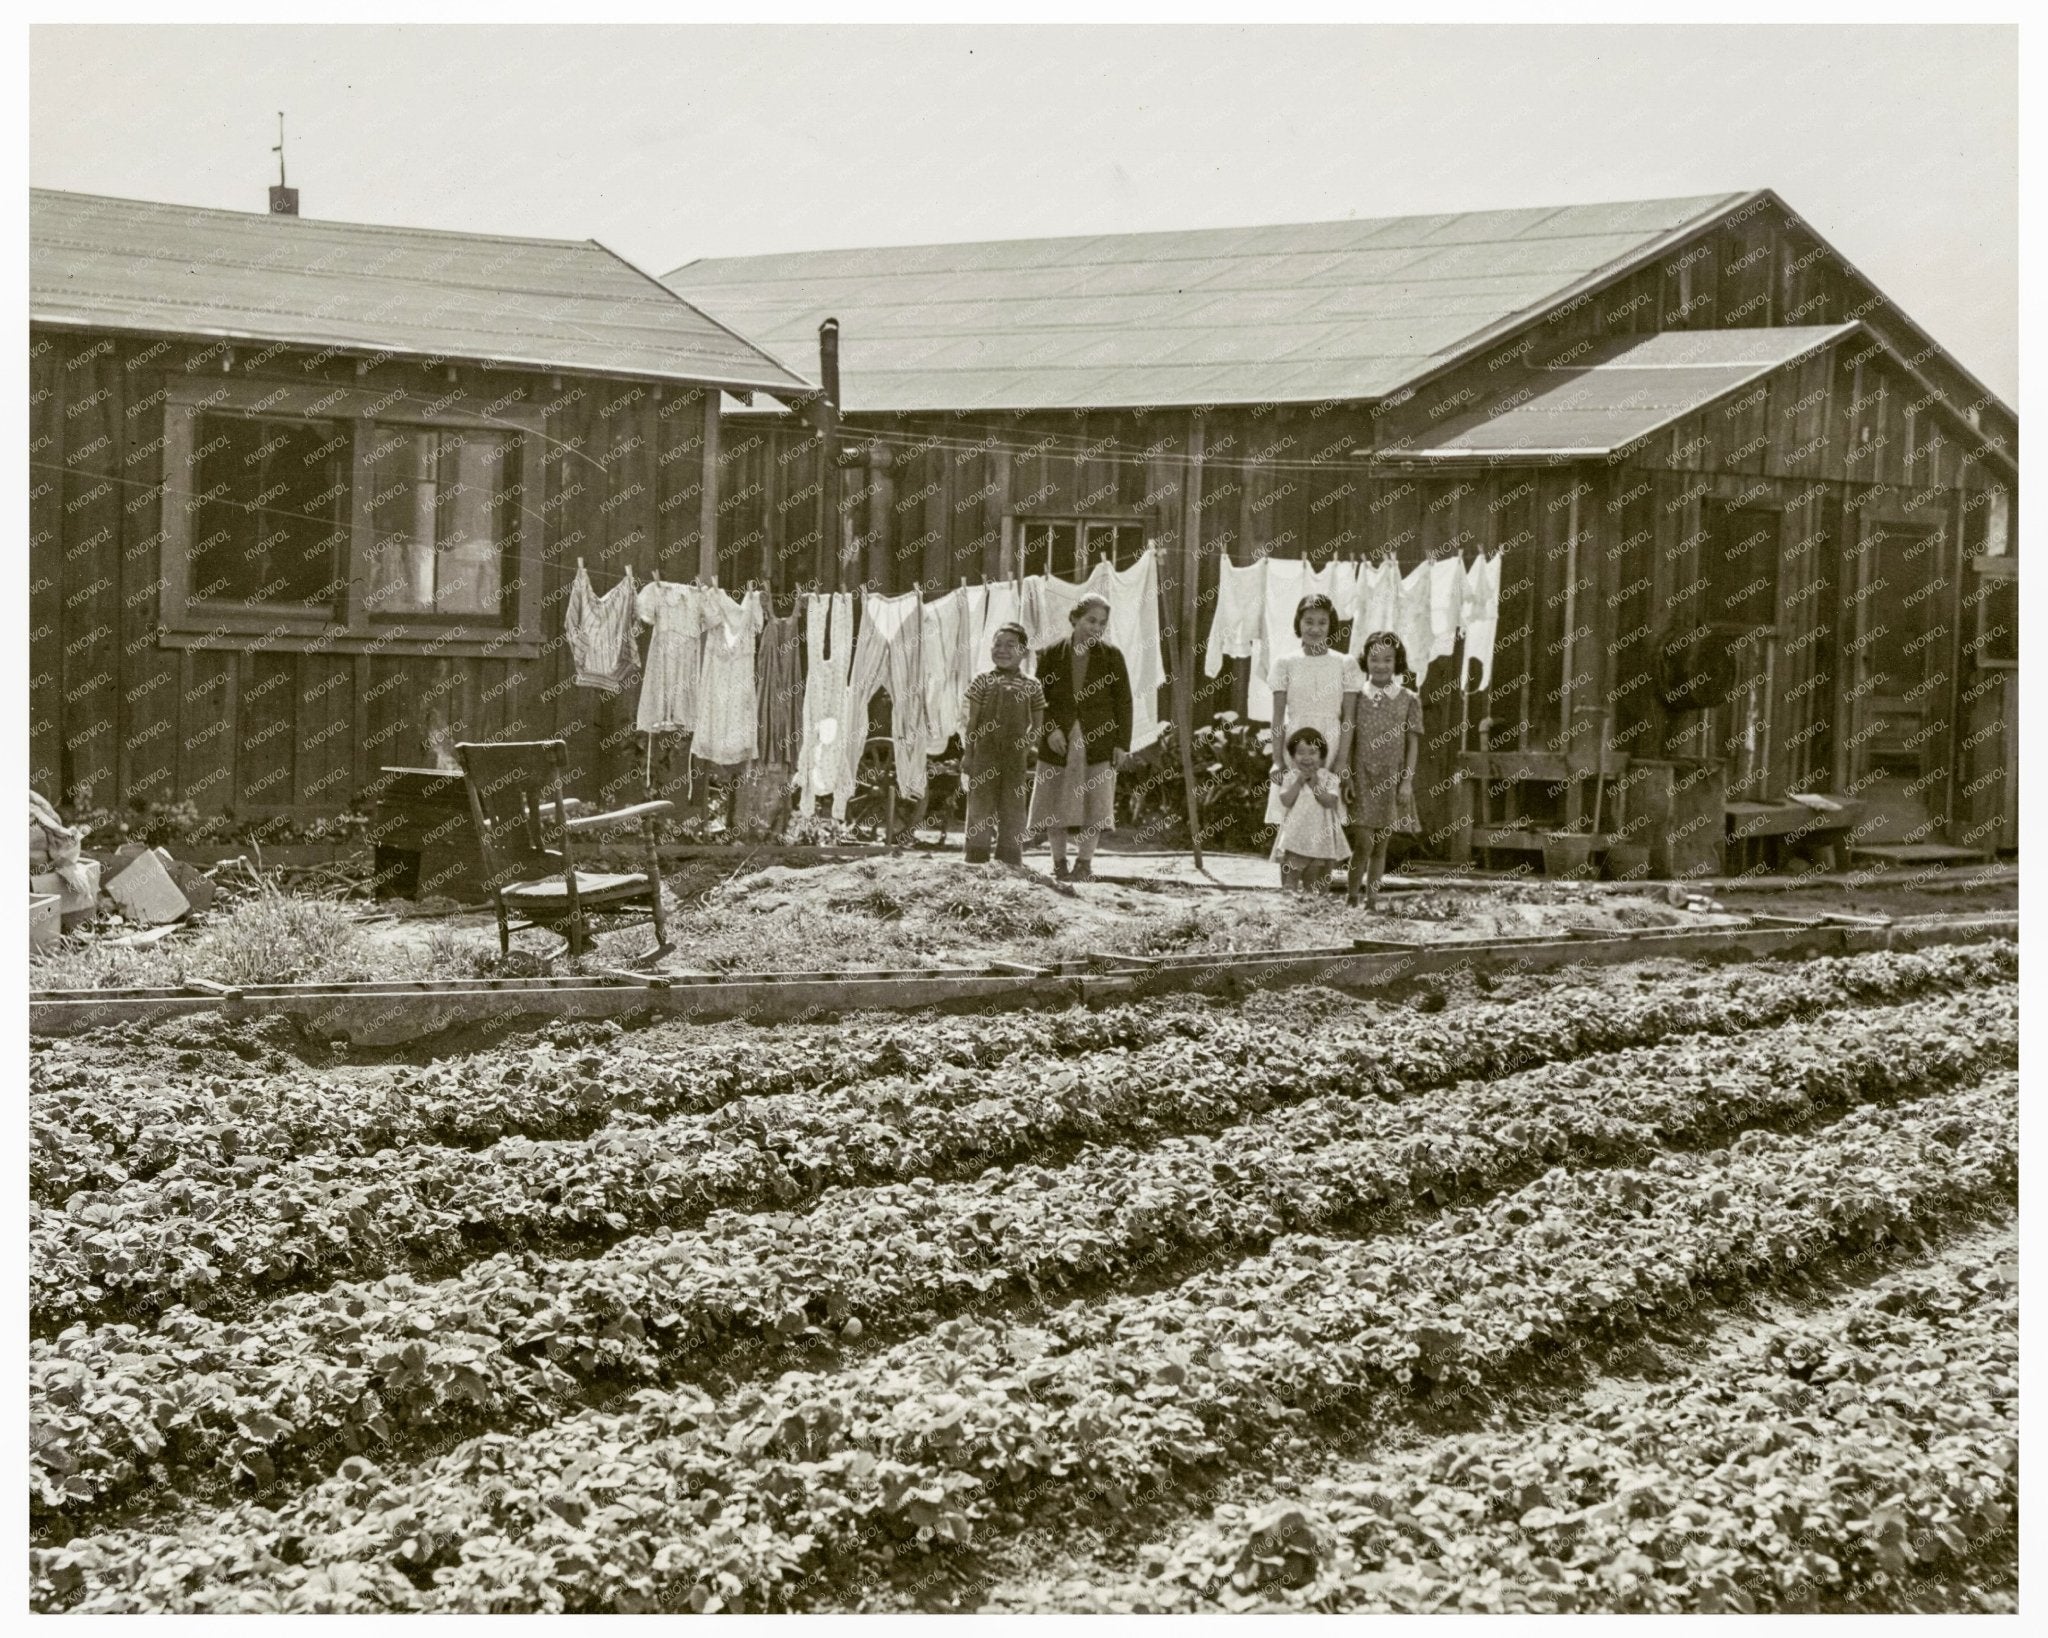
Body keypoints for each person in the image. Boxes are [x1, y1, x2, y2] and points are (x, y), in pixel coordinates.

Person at [1030, 593, 1133, 882]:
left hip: (1098, 738)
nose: (1096, 628)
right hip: (1059, 740)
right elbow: (1038, 699)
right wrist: (1049, 729)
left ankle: (1084, 864)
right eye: (1090, 620)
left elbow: (1124, 702)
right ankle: (1059, 863)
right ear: (1074, 619)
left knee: (1094, 803)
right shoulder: (1052, 654)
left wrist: (1121, 744)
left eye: (1102, 623)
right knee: (1054, 800)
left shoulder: (1111, 656)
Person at [1266, 594, 1358, 850]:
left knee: (1324, 806)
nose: (1315, 629)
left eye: (1322, 622)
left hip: (1331, 740)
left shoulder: (1345, 663)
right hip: (1296, 741)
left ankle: (1320, 870)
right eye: (1309, 622)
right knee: (1295, 804)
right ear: (1299, 623)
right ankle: (1290, 869)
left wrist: (1341, 761)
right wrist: (1276, 759)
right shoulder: (1285, 663)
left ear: (1331, 626)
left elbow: (1349, 718)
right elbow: (1277, 716)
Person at [1345, 630, 1422, 910]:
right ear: (1366, 661)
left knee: (1381, 846)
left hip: (1391, 779)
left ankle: (1372, 900)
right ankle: (1352, 896)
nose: (1380, 665)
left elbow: (1412, 745)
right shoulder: (1356, 697)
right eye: (1374, 659)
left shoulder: (1408, 698)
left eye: (1387, 660)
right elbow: (1349, 740)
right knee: (1363, 842)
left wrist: (1407, 782)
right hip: (1362, 775)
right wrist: (1348, 777)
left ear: (1397, 661)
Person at [961, 623, 1046, 867]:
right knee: (980, 805)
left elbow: (1038, 726)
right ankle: (976, 858)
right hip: (984, 754)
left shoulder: (1032, 685)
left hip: (1014, 758)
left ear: (1023, 652)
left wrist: (1025, 747)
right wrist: (968, 755)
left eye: (1010, 645)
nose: (1002, 650)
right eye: (997, 644)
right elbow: (971, 722)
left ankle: (1009, 859)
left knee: (1013, 806)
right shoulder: (982, 681)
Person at [1274, 726, 1348, 892]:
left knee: (1316, 881)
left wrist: (1315, 785)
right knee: (1291, 876)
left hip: (1321, 836)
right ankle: (1290, 903)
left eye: (1312, 752)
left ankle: (1314, 905)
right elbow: (1286, 800)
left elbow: (1330, 802)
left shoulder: (1329, 778)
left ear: (1321, 756)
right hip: (1296, 836)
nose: (1307, 758)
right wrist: (1299, 782)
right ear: (1293, 756)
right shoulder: (1290, 776)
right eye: (1301, 752)